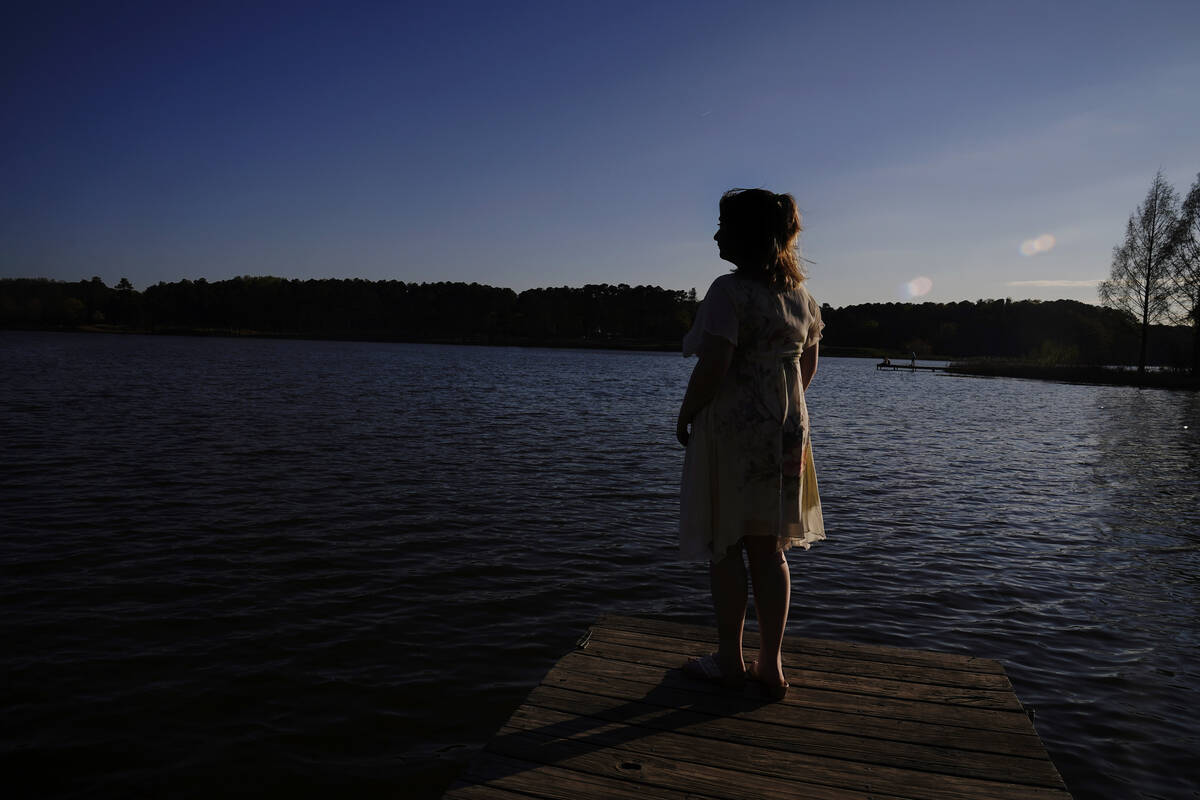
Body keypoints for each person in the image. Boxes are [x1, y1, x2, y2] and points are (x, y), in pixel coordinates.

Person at [676, 188, 825, 701]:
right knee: (770, 549)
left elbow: (713, 364)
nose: (716, 234)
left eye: (723, 225)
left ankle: (730, 662)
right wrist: (780, 409)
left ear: (748, 235)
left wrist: (686, 413)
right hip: (785, 432)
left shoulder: (728, 291)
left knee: (726, 546)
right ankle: (771, 665)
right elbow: (807, 368)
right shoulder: (802, 297)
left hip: (734, 433)